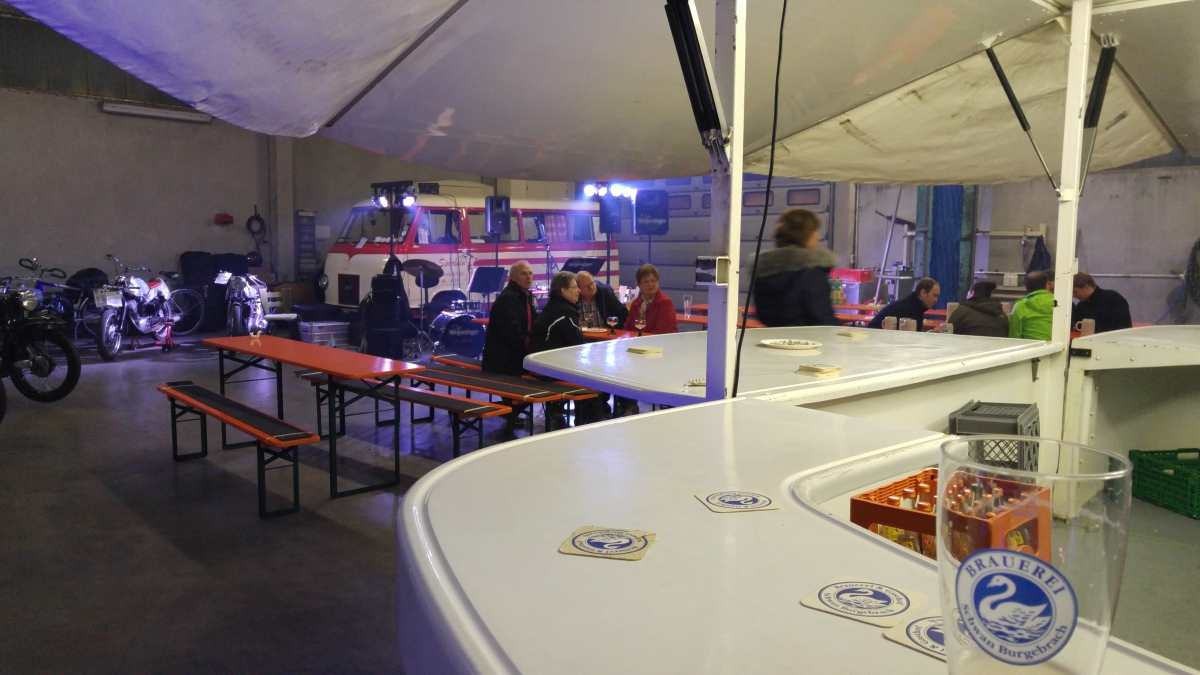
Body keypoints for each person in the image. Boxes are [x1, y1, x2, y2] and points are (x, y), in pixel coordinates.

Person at [530, 271, 600, 427]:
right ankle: (589, 421)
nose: (579, 291)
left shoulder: (552, 307)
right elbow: (577, 347)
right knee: (599, 377)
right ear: (563, 291)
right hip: (549, 371)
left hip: (539, 365)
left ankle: (565, 411)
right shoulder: (566, 313)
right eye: (575, 287)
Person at [753, 208, 839, 327]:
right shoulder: (811, 272)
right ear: (804, 235)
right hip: (808, 337)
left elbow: (762, 314)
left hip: (771, 336)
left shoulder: (764, 270)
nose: (817, 235)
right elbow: (822, 317)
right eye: (813, 230)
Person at [481, 261, 538, 437]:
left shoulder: (524, 296)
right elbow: (512, 334)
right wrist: (528, 357)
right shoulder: (507, 298)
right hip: (502, 360)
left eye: (530, 273)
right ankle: (508, 409)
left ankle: (510, 409)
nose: (529, 277)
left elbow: (535, 324)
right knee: (542, 381)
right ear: (512, 277)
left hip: (515, 355)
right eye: (524, 273)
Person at [867, 278, 940, 330]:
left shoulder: (915, 307)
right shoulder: (905, 309)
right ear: (923, 293)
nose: (936, 300)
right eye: (934, 295)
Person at [624, 264, 677, 334]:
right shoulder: (635, 303)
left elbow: (663, 331)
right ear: (639, 285)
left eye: (653, 280)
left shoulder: (665, 302)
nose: (650, 284)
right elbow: (627, 328)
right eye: (646, 281)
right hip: (636, 340)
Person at [1008, 270, 1054, 341]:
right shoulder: (1058, 303)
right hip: (1056, 346)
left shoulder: (1020, 306)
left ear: (1027, 287)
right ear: (1047, 285)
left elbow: (1014, 336)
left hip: (1030, 346)